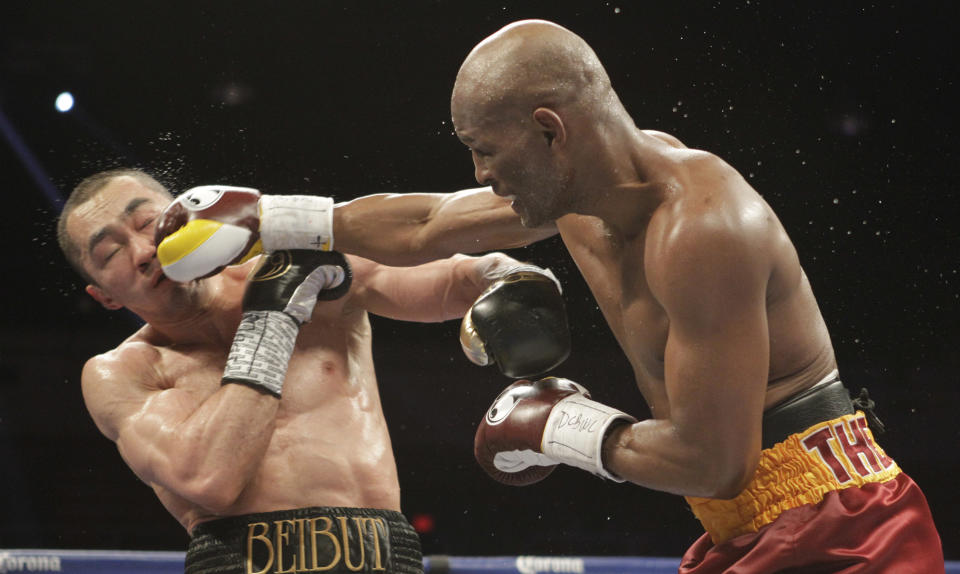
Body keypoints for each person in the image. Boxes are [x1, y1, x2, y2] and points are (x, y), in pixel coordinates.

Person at [153, 19, 945, 572]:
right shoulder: (576, 194)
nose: (479, 174)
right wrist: (271, 217)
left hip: (840, 530)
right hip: (743, 526)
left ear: (549, 129)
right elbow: (429, 224)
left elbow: (716, 461)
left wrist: (560, 425)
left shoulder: (703, 229)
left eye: (485, 150)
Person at [57, 168, 568, 574]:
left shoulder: (305, 265)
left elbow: (450, 280)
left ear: (177, 215)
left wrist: (510, 277)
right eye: (111, 253)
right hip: (243, 563)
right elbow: (211, 477)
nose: (143, 250)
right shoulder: (120, 373)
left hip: (382, 554)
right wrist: (272, 315)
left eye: (146, 222)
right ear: (102, 295)